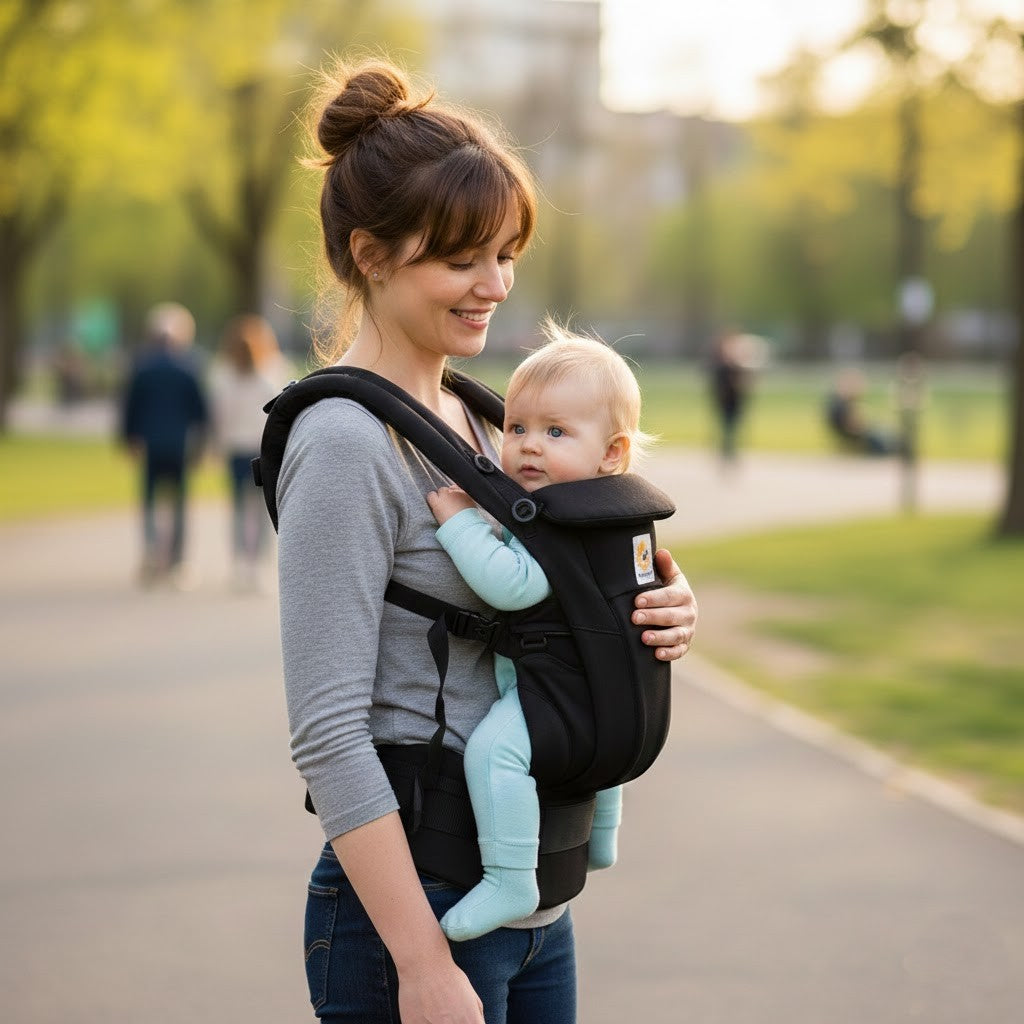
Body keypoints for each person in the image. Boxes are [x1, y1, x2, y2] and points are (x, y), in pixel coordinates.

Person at [277, 57, 697, 1024]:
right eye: (463, 258)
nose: (496, 285)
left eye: (506, 254)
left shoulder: (482, 422)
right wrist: (422, 966)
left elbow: (577, 564)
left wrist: (669, 599)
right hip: (419, 908)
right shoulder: (344, 442)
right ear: (372, 253)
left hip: (536, 899)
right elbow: (328, 733)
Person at [424, 322, 653, 942]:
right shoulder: (613, 511)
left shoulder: (562, 521)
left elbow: (514, 586)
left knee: (494, 751)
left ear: (612, 453)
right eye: (518, 428)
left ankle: (509, 877)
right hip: (609, 697)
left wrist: (462, 524)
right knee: (596, 749)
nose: (528, 447)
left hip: (559, 689)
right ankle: (599, 837)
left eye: (555, 432)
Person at [119, 302, 209, 586]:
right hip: (179, 445)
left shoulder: (142, 367)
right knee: (180, 502)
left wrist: (129, 438)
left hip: (151, 444)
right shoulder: (189, 366)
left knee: (149, 501)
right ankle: (177, 561)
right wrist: (201, 446)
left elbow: (130, 407)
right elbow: (200, 412)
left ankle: (150, 553)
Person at [209, 314, 288, 591]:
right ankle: (255, 564)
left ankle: (240, 563)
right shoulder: (269, 375)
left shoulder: (224, 378)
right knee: (260, 510)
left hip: (236, 449)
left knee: (239, 510)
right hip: (259, 449)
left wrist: (217, 445)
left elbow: (220, 417)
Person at [825, 367, 903, 456]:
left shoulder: (839, 401)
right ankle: (897, 447)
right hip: (857, 433)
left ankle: (897, 445)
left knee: (884, 432)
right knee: (882, 437)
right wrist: (865, 425)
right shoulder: (841, 404)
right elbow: (853, 425)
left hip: (854, 431)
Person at [708, 329, 754, 463]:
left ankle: (730, 448)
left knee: (734, 426)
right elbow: (717, 385)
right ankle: (726, 448)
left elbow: (745, 385)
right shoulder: (721, 367)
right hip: (725, 401)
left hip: (736, 401)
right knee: (726, 425)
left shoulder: (737, 366)